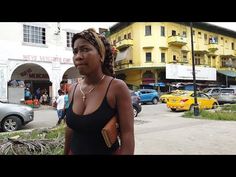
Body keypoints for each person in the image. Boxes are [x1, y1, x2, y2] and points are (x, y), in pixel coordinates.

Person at [64, 28, 134, 155]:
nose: (78, 56)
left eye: (85, 49)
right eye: (75, 52)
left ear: (101, 55)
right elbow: (70, 129)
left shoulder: (116, 87)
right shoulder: (73, 89)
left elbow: (127, 135)